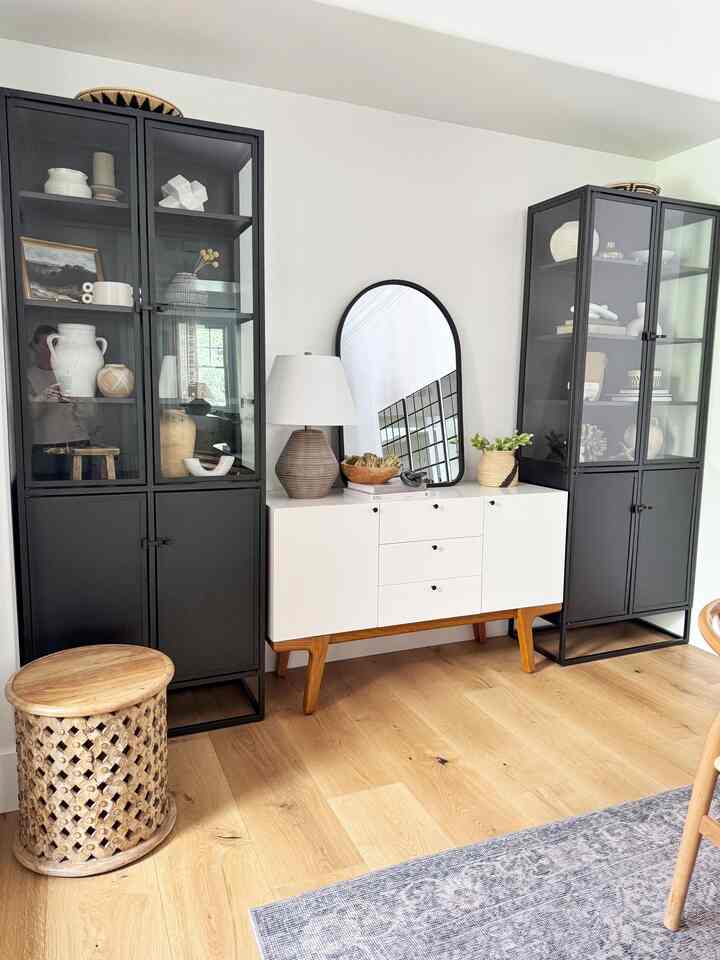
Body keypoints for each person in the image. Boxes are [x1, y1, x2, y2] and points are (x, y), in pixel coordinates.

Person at [27, 324, 91, 480]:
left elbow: (91, 413)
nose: (51, 349)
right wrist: (44, 397)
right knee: (46, 492)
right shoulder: (28, 376)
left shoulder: (74, 373)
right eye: (46, 345)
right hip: (45, 446)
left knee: (82, 492)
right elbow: (29, 416)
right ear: (34, 347)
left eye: (55, 344)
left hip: (78, 443)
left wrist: (78, 400)